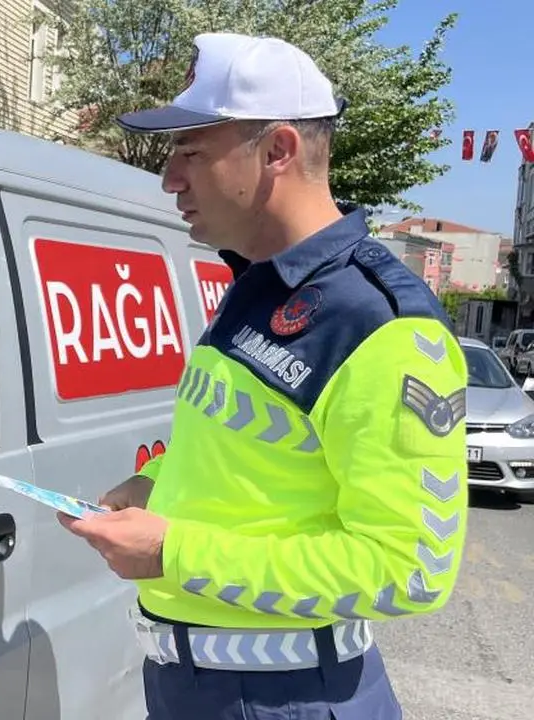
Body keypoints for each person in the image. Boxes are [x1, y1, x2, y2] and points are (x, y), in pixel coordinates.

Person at [57, 32, 468, 719]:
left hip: (286, 697)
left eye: (191, 152)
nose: (169, 178)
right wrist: (156, 485)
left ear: (278, 150)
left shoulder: (378, 323)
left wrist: (173, 551)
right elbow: (256, 457)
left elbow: (410, 569)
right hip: (195, 686)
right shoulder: (256, 283)